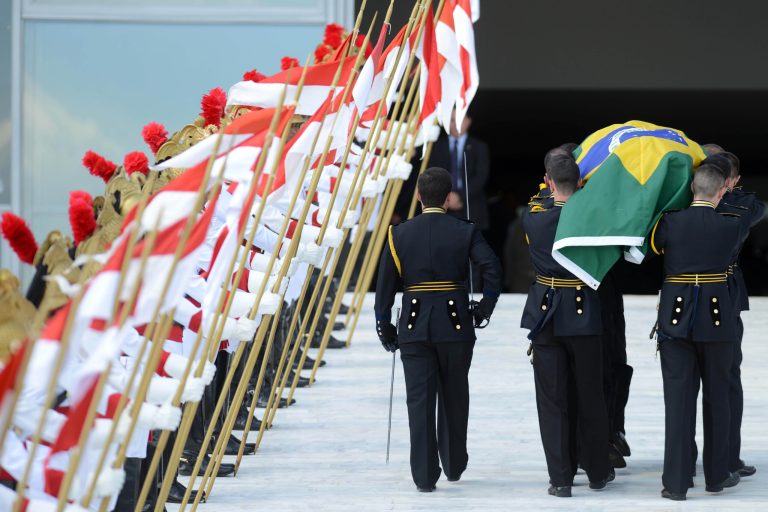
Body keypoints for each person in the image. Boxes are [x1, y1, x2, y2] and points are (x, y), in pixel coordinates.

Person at [373, 167, 501, 492]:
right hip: (456, 322)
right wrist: (484, 307)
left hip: (414, 325)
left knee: (419, 400)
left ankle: (425, 476)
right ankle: (454, 463)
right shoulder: (464, 230)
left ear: (418, 196)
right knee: (455, 394)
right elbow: (491, 268)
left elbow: (385, 285)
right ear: (448, 200)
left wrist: (384, 324)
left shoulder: (398, 234)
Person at [650, 163, 748, 501]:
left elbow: (656, 248)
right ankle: (717, 476)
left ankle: (676, 484)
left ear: (692, 189)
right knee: (718, 398)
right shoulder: (731, 225)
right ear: (722, 191)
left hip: (675, 318)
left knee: (678, 402)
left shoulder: (669, 222)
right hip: (717, 317)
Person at [521, 153, 612, 498]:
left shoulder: (534, 218)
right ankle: (598, 473)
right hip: (582, 310)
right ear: (580, 184)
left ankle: (560, 477)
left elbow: (546, 201)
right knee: (591, 394)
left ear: (547, 182)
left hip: (545, 313)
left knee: (552, 400)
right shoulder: (592, 219)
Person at [705, 150, 764, 478]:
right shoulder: (740, 208)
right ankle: (726, 458)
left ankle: (690, 461)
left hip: (684, 302)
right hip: (723, 300)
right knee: (726, 382)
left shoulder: (681, 205)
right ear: (732, 181)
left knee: (687, 390)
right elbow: (757, 208)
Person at [426, 110, 490, 231]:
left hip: (471, 206)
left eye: (459, 119)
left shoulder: (479, 147)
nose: (455, 124)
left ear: (468, 121)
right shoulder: (434, 146)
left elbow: (481, 176)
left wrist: (459, 196)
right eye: (451, 120)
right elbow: (431, 175)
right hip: (441, 206)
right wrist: (447, 197)